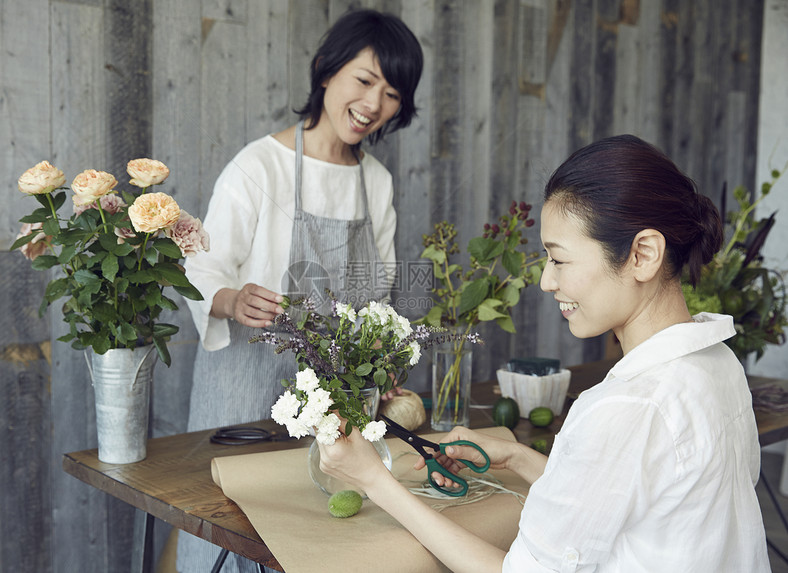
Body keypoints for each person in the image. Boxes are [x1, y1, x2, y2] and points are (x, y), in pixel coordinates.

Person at [318, 134, 770, 571]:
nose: (546, 281)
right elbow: (636, 498)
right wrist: (516, 457)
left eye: (559, 259)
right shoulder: (716, 362)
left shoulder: (629, 406)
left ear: (643, 254)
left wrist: (374, 481)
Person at [177, 9, 423, 573]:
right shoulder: (259, 167)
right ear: (325, 71)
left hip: (335, 405)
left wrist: (383, 358)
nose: (373, 104)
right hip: (244, 391)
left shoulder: (376, 182)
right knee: (228, 532)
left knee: (320, 536)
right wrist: (233, 300)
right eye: (364, 81)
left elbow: (381, 292)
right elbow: (200, 267)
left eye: (391, 94)